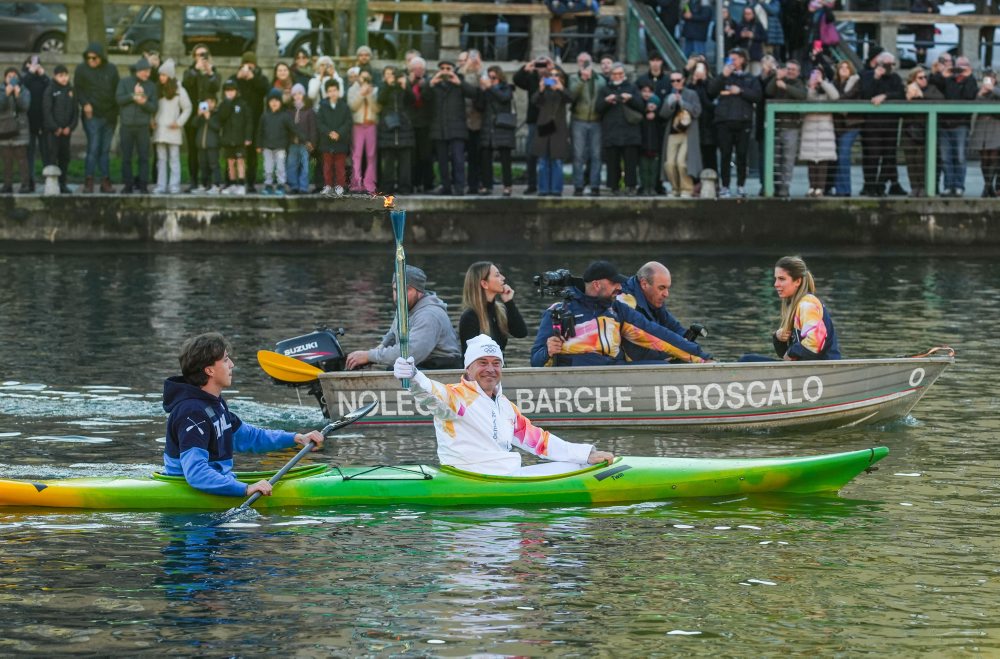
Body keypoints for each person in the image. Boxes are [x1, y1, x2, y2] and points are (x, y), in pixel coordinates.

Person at [392, 335, 615, 476]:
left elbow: (539, 442)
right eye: (482, 363)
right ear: (468, 369)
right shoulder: (456, 397)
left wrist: (585, 454)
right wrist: (413, 377)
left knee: (580, 467)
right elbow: (432, 394)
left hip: (504, 475)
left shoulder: (505, 406)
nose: (490, 369)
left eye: (496, 363)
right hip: (470, 477)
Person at [162, 332, 326, 498]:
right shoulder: (192, 412)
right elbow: (196, 473)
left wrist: (296, 438)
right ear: (209, 370)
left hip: (215, 480)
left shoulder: (214, 403)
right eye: (226, 360)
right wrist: (245, 489)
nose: (232, 364)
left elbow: (248, 437)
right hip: (187, 491)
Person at [530, 260, 712, 367]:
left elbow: (658, 335)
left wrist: (702, 358)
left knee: (667, 366)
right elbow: (536, 362)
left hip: (615, 374)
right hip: (576, 382)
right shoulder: (557, 312)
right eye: (614, 283)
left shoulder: (618, 310)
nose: (620, 287)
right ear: (597, 284)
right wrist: (548, 351)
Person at [345, 265, 463, 371]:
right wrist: (373, 354)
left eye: (406, 290)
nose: (399, 295)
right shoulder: (405, 307)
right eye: (396, 290)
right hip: (421, 364)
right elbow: (392, 336)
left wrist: (369, 355)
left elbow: (410, 354)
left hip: (441, 368)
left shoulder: (429, 315)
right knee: (394, 369)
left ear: (420, 291)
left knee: (395, 370)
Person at [742, 256, 840, 361]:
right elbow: (784, 355)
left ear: (798, 281)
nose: (776, 284)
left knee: (745, 361)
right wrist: (778, 338)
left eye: (781, 279)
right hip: (801, 369)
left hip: (819, 370)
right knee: (748, 359)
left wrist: (791, 352)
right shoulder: (794, 306)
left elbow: (815, 343)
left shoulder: (807, 304)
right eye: (776, 279)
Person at [617, 261, 706, 363]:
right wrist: (679, 355)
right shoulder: (625, 302)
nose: (666, 294)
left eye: (668, 288)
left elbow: (673, 327)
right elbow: (636, 351)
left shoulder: (653, 299)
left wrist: (689, 343)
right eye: (661, 288)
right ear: (644, 284)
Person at [709, 48, 762, 198]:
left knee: (742, 155)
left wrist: (741, 91)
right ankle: (725, 186)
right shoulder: (723, 77)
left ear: (743, 60)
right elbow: (711, 90)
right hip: (724, 121)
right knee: (725, 155)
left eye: (735, 58)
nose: (732, 62)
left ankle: (740, 185)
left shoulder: (750, 79)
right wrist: (722, 76)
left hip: (743, 121)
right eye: (730, 58)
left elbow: (757, 96)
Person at [74, 42, 119, 194]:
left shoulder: (111, 69)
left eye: (94, 58)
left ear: (101, 57)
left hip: (109, 115)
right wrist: (85, 103)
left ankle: (105, 181)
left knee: (105, 151)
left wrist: (115, 113)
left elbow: (117, 90)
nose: (91, 60)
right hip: (92, 115)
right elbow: (78, 89)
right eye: (89, 58)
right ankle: (89, 181)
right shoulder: (81, 69)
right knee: (93, 148)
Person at [427, 60, 477, 196]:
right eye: (442, 68)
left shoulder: (459, 83)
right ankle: (445, 186)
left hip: (457, 128)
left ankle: (459, 187)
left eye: (448, 68)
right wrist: (431, 83)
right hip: (439, 128)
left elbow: (474, 93)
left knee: (458, 159)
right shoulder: (434, 84)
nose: (445, 71)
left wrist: (459, 83)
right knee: (442, 161)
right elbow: (424, 99)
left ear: (453, 70)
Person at [458, 261, 528, 355]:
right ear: (484, 284)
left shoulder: (499, 310)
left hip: (498, 366)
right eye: (497, 275)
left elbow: (521, 333)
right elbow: (470, 356)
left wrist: (508, 302)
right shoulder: (470, 317)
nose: (503, 278)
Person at [932, 56, 978, 197]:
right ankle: (948, 186)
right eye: (958, 66)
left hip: (961, 124)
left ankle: (959, 186)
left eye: (964, 66)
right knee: (945, 158)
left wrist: (968, 77)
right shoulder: (947, 80)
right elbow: (946, 93)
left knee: (960, 156)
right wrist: (945, 75)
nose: (960, 69)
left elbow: (969, 96)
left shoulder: (971, 81)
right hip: (944, 123)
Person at [596, 62, 644, 195]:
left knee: (630, 162)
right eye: (615, 74)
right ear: (611, 75)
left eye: (620, 74)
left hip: (630, 131)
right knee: (612, 162)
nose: (617, 76)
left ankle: (631, 186)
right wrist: (607, 101)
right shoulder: (605, 89)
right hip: (611, 131)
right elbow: (598, 108)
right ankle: (613, 187)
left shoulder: (632, 88)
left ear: (624, 75)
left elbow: (641, 106)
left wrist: (630, 99)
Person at [116, 57, 158, 194]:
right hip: (127, 126)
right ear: (138, 71)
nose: (147, 74)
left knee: (144, 157)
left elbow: (154, 107)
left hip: (143, 127)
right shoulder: (124, 82)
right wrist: (133, 96)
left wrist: (143, 103)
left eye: (149, 71)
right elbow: (118, 99)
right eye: (145, 71)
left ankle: (143, 185)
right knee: (126, 157)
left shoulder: (152, 86)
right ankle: (128, 185)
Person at [765, 60, 806, 197]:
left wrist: (785, 87)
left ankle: (784, 187)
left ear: (798, 72)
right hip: (775, 126)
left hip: (791, 127)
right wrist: (776, 77)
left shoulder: (799, 83)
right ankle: (775, 186)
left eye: (793, 69)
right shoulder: (778, 79)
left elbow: (802, 95)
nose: (790, 71)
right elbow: (768, 92)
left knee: (788, 160)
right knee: (775, 159)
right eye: (788, 68)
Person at [181, 45, 219, 191]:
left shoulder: (213, 71)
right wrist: (196, 70)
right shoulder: (189, 72)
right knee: (193, 149)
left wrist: (209, 73)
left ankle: (208, 181)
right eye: (199, 54)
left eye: (205, 54)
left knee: (208, 149)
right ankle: (193, 180)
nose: (202, 57)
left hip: (209, 116)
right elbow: (186, 84)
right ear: (194, 57)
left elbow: (216, 87)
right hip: (193, 116)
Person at [152, 58, 191, 195]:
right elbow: (154, 108)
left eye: (163, 75)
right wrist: (152, 120)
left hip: (173, 129)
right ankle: (161, 185)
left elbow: (187, 108)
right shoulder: (157, 89)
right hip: (159, 129)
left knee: (174, 158)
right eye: (160, 75)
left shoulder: (179, 90)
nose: (161, 77)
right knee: (161, 159)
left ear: (169, 75)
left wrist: (179, 122)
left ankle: (174, 185)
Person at [901, 67, 942, 198]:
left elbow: (940, 99)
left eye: (925, 77)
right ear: (913, 79)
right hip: (909, 129)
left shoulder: (931, 89)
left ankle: (924, 186)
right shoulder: (906, 90)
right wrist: (908, 98)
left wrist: (921, 95)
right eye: (920, 78)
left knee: (922, 160)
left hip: (925, 129)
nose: (924, 80)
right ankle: (914, 187)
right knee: (910, 160)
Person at [799, 65, 840, 197]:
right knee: (810, 160)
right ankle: (811, 186)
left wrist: (822, 82)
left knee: (823, 160)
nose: (815, 76)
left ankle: (820, 188)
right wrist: (811, 87)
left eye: (818, 73)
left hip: (825, 129)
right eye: (813, 73)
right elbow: (807, 101)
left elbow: (835, 96)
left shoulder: (827, 88)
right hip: (809, 128)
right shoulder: (806, 89)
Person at [660, 71, 702, 197]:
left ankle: (687, 188)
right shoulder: (669, 95)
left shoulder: (692, 94)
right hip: (672, 133)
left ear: (683, 80)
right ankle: (675, 188)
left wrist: (683, 103)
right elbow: (663, 114)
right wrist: (670, 103)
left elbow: (697, 111)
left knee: (682, 163)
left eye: (678, 80)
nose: (675, 83)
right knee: (669, 163)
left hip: (688, 134)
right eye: (672, 81)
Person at [476, 65, 516, 196]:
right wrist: (482, 91)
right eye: (489, 77)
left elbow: (504, 98)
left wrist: (490, 87)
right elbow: (479, 106)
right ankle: (487, 185)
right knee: (485, 158)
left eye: (494, 77)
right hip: (488, 126)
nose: (491, 80)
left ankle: (507, 185)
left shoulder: (507, 88)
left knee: (505, 159)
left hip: (502, 126)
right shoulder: (486, 90)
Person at [532, 69, 571, 197]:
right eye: (551, 75)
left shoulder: (562, 91)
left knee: (557, 161)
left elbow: (570, 98)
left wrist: (560, 88)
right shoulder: (544, 92)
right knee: (543, 161)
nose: (553, 78)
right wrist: (541, 89)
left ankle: (556, 189)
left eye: (556, 75)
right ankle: (543, 189)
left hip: (558, 129)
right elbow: (534, 101)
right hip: (544, 127)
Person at [568, 54, 603, 197]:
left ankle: (595, 185)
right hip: (579, 120)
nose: (583, 63)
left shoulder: (600, 80)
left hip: (596, 121)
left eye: (586, 61)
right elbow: (571, 96)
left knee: (596, 155)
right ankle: (578, 185)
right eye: (580, 61)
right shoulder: (573, 78)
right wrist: (583, 80)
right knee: (578, 155)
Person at [234, 52, 269, 193]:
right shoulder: (237, 77)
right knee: (235, 152)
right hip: (238, 121)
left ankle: (250, 182)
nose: (248, 67)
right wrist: (239, 78)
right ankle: (233, 180)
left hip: (255, 120)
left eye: (250, 64)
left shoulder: (260, 77)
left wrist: (252, 78)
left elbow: (266, 89)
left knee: (252, 155)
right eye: (245, 64)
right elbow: (229, 89)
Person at [377, 65, 414, 195]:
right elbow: (380, 100)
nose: (391, 76)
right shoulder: (383, 86)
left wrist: (406, 87)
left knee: (405, 162)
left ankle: (405, 188)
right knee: (388, 162)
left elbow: (412, 101)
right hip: (388, 128)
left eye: (393, 74)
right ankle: (388, 188)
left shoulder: (403, 86)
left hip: (404, 128)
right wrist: (388, 85)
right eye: (388, 74)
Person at [41, 64, 78, 193]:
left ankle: (62, 183)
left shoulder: (71, 90)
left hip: (66, 132)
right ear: (55, 76)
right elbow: (47, 111)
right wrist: (55, 127)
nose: (64, 78)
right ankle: (51, 183)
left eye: (65, 75)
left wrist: (70, 127)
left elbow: (75, 112)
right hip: (53, 132)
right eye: (60, 76)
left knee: (65, 157)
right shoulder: (50, 90)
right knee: (52, 157)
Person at [258, 88, 299, 196]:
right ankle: (268, 185)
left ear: (281, 102)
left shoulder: (285, 116)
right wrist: (258, 145)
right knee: (268, 167)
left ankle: (281, 185)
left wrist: (301, 138)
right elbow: (260, 132)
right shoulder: (264, 116)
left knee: (280, 168)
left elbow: (293, 129)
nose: (274, 103)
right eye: (272, 101)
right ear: (268, 103)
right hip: (267, 147)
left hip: (280, 147)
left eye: (277, 101)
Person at [217, 78, 253, 196]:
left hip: (240, 139)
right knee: (230, 162)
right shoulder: (223, 105)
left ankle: (242, 184)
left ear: (236, 91)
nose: (230, 93)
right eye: (227, 91)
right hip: (228, 139)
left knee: (240, 161)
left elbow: (248, 122)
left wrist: (248, 137)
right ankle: (232, 184)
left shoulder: (242, 104)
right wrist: (227, 103)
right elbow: (221, 118)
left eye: (232, 90)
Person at [832, 60, 862, 197]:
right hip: (837, 125)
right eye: (841, 67)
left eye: (847, 67)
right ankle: (839, 189)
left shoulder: (856, 82)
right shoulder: (834, 83)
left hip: (851, 124)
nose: (844, 69)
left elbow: (847, 97)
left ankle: (845, 189)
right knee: (837, 156)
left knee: (843, 155)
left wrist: (835, 100)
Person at [316, 79, 352, 194]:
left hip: (340, 141)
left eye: (334, 90)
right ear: (326, 93)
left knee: (340, 166)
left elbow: (348, 122)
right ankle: (327, 185)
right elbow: (319, 123)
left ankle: (340, 186)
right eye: (330, 91)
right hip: (326, 142)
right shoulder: (322, 106)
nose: (332, 93)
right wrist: (329, 133)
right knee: (327, 166)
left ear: (339, 91)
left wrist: (339, 133)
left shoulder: (344, 106)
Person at [969, 72, 1000, 197]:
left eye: (991, 79)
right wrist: (980, 94)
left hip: (995, 127)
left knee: (993, 156)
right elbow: (975, 106)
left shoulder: (997, 90)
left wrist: (993, 88)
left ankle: (987, 187)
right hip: (982, 127)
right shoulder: (981, 91)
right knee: (984, 158)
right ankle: (988, 186)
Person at [20, 56, 49, 193]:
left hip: (43, 123)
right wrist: (30, 72)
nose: (34, 66)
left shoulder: (43, 79)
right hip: (28, 124)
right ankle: (30, 181)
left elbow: (51, 88)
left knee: (46, 153)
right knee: (29, 154)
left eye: (36, 64)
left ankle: (49, 179)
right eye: (31, 64)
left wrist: (43, 74)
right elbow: (21, 85)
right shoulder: (25, 78)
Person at [348, 70, 379, 194]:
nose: (365, 79)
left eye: (367, 77)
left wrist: (369, 95)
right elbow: (353, 107)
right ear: (358, 77)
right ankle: (355, 184)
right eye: (362, 77)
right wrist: (361, 94)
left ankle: (370, 184)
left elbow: (376, 109)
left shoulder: (375, 90)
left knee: (371, 156)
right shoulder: (352, 90)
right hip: (358, 125)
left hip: (371, 125)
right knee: (356, 155)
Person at [0, 68, 31, 193]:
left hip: (20, 129)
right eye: (9, 76)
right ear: (5, 78)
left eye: (14, 76)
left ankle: (25, 185)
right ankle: (7, 185)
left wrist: (17, 95)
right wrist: (6, 95)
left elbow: (25, 107)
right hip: (4, 128)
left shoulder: (24, 90)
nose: (12, 79)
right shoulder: (1, 90)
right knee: (6, 159)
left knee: (22, 158)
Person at [287, 83, 317, 194]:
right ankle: (294, 186)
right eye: (295, 94)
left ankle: (303, 187)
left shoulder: (309, 111)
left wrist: (312, 142)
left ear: (303, 94)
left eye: (300, 93)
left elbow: (313, 128)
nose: (297, 96)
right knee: (292, 165)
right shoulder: (289, 111)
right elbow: (287, 127)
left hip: (305, 143)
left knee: (305, 165)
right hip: (292, 143)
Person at [190, 95, 221, 193]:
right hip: (201, 145)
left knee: (213, 164)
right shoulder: (201, 115)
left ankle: (216, 185)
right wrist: (199, 115)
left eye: (211, 102)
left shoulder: (217, 114)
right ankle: (204, 185)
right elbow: (194, 124)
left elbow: (216, 127)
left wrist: (208, 118)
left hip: (212, 145)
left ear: (215, 103)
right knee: (203, 165)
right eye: (207, 102)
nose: (209, 104)